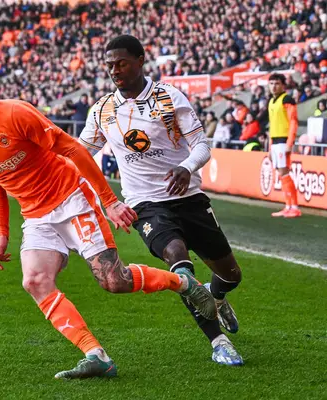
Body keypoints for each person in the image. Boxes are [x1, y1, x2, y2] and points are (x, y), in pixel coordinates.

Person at [0, 61, 217, 379]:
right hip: (36, 214)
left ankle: (183, 283)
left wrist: (109, 202)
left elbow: (73, 150)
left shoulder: (14, 114)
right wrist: (1, 232)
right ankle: (96, 355)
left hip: (72, 199)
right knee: (35, 281)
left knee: (114, 281)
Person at [79, 35, 244, 366]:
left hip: (189, 196)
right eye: (109, 65)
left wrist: (186, 166)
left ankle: (218, 295)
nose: (114, 70)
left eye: (121, 63)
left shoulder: (169, 98)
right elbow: (82, 153)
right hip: (144, 203)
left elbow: (201, 145)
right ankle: (219, 342)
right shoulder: (102, 110)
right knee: (176, 256)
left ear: (141, 60)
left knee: (230, 274)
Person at [267, 74, 301, 218]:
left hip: (283, 141)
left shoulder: (287, 99)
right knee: (281, 174)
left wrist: (289, 143)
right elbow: (272, 125)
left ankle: (294, 207)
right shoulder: (271, 101)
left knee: (284, 173)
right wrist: (269, 147)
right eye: (271, 83)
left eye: (277, 83)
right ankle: (288, 206)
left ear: (283, 85)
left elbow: (293, 121)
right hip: (275, 142)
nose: (273, 86)